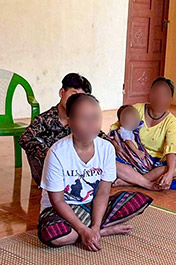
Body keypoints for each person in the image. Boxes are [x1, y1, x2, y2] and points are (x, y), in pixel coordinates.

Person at [38, 93, 152, 249]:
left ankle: (96, 231)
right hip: (61, 210)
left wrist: (96, 226)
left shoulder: (106, 149)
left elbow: (103, 192)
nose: (91, 124)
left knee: (138, 201)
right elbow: (57, 200)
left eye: (95, 117)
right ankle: (101, 231)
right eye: (84, 118)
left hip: (90, 206)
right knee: (53, 233)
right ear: (69, 122)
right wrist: (83, 229)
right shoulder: (57, 153)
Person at [19, 73, 101, 185]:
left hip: (81, 169)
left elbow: (99, 135)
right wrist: (49, 153)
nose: (76, 102)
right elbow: (25, 138)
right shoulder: (45, 119)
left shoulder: (82, 120)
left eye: (81, 98)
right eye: (74, 95)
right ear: (62, 93)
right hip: (55, 172)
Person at [110, 77, 176, 190]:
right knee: (111, 162)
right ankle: (146, 183)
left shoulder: (171, 121)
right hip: (132, 157)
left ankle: (132, 181)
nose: (160, 98)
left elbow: (171, 148)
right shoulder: (136, 109)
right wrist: (117, 147)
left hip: (155, 163)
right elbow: (115, 129)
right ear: (150, 94)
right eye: (157, 93)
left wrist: (169, 173)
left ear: (171, 99)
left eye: (165, 94)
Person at [108, 104, 153, 174]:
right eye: (128, 120)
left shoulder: (134, 129)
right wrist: (137, 152)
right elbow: (128, 142)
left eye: (134, 119)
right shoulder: (124, 131)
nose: (133, 122)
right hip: (129, 152)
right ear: (121, 122)